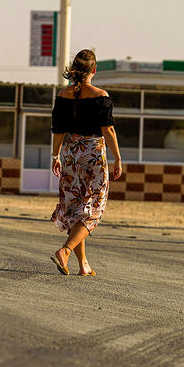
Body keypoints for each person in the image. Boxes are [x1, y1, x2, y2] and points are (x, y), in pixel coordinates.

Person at [49, 49, 122, 276]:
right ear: (94, 70)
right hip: (93, 154)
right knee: (93, 209)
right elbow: (107, 129)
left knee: (75, 207)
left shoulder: (63, 96)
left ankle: (83, 265)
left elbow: (58, 131)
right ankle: (66, 250)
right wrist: (118, 158)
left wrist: (56, 156)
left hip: (71, 153)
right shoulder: (100, 95)